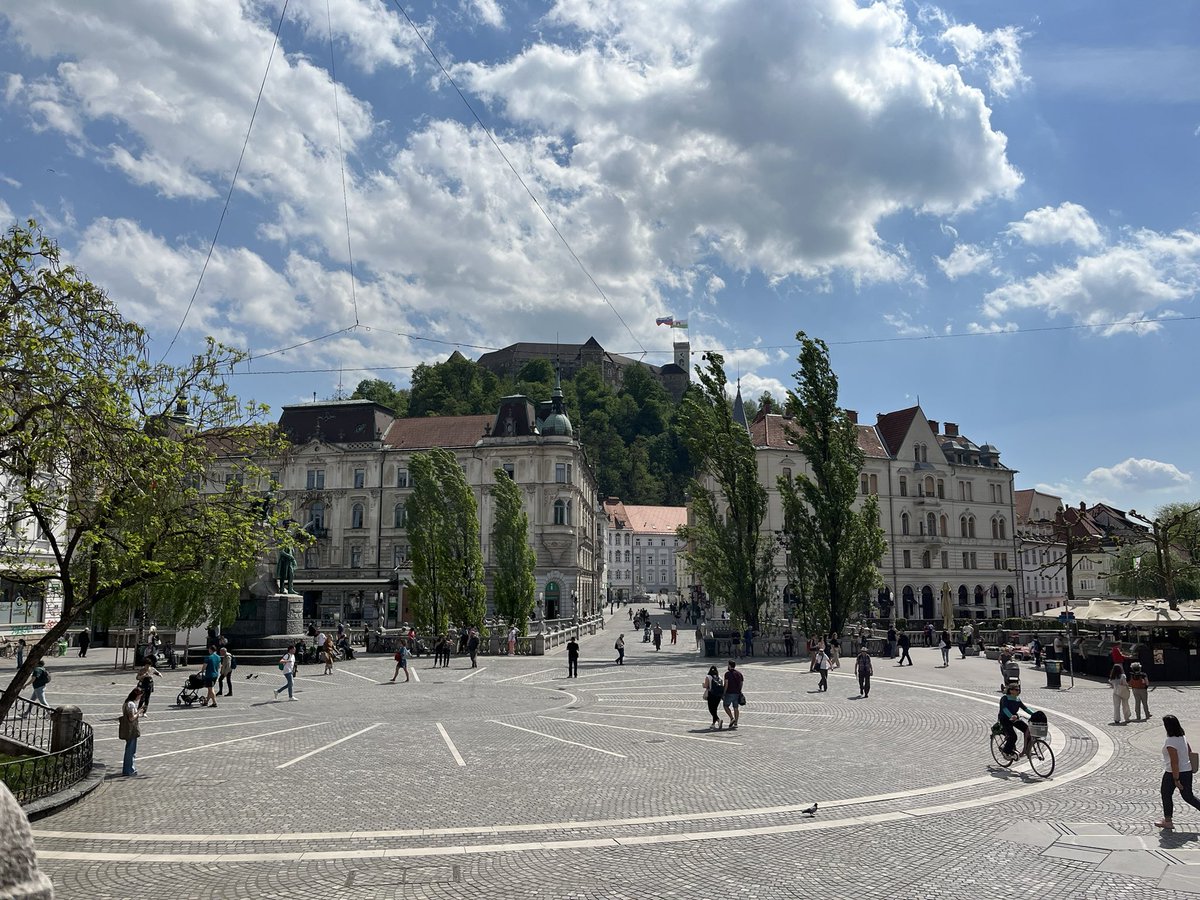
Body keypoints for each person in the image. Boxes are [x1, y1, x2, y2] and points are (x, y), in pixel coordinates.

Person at [1155, 714, 1200, 829]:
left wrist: (1176, 779)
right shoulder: (1182, 737)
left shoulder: (1171, 742)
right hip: (1187, 770)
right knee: (1188, 796)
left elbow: (1174, 762)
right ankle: (1167, 820)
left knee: (1166, 794)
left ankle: (1168, 821)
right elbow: (1189, 750)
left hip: (1173, 773)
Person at [998, 681, 1034, 758]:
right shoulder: (1005, 698)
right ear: (1011, 690)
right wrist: (1011, 716)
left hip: (1014, 718)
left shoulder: (1017, 699)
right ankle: (1006, 751)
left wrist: (1034, 714)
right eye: (1016, 690)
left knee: (1027, 730)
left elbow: (1025, 708)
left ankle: (1027, 749)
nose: (1018, 691)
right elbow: (1004, 709)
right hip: (1004, 719)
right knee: (1013, 736)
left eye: (1018, 689)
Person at [120, 686, 143, 776]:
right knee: (130, 750)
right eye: (139, 696)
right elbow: (131, 718)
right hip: (131, 729)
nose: (140, 698)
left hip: (127, 728)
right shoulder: (131, 704)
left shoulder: (126, 703)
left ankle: (128, 769)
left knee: (129, 749)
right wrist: (139, 712)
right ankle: (129, 770)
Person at [722, 660, 744, 730]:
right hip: (737, 693)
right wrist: (739, 690)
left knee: (725, 706)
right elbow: (741, 683)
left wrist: (724, 693)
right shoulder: (739, 674)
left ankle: (732, 718)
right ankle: (736, 723)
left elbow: (726, 684)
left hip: (729, 693)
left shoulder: (727, 674)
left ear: (729, 665)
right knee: (736, 708)